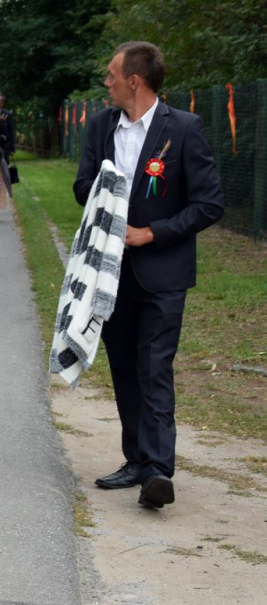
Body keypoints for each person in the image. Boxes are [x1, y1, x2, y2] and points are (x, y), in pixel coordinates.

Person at [74, 41, 224, 509]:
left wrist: (151, 233)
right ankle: (136, 460)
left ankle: (159, 471)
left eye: (111, 74)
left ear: (133, 81)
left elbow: (208, 204)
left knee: (154, 365)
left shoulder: (183, 128)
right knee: (123, 366)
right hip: (110, 273)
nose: (107, 82)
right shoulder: (101, 126)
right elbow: (82, 187)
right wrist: (108, 194)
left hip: (163, 272)